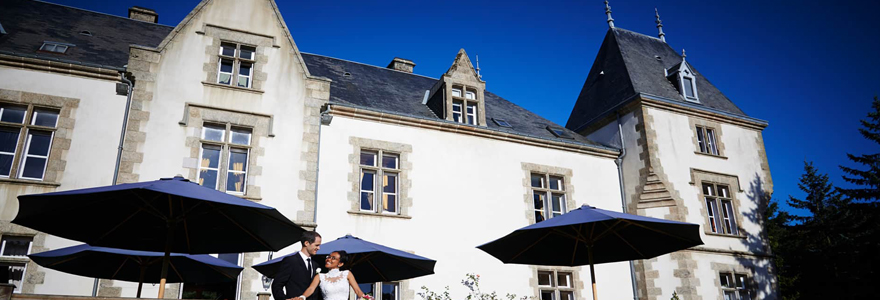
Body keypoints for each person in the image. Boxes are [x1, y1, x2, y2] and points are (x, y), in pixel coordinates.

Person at [272, 231, 323, 300]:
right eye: (316, 245)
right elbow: (277, 284)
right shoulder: (291, 261)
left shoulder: (316, 264)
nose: (319, 248)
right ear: (306, 243)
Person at [298, 251, 369, 300]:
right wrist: (302, 297)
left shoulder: (347, 274)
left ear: (340, 263)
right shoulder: (320, 276)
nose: (328, 259)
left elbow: (358, 291)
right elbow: (311, 289)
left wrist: (366, 299)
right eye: (328, 257)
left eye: (333, 258)